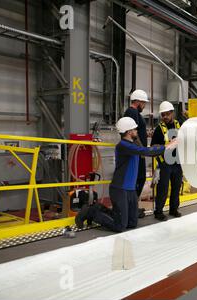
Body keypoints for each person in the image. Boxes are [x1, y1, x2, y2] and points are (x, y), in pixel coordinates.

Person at [75, 117, 178, 232]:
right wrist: (168, 147)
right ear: (129, 132)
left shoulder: (133, 145)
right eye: (135, 129)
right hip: (120, 189)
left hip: (130, 190)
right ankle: (91, 212)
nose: (137, 131)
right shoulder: (123, 146)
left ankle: (98, 208)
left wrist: (166, 146)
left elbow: (146, 150)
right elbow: (146, 152)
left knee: (132, 223)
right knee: (120, 226)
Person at [151, 101, 183, 221]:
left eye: (167, 114)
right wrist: (161, 162)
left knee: (176, 186)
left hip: (178, 163)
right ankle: (158, 212)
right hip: (165, 164)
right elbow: (153, 146)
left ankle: (173, 209)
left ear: (172, 113)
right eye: (163, 115)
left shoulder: (180, 125)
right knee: (162, 188)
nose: (165, 117)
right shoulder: (159, 129)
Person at [124, 89, 149, 218]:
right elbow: (133, 133)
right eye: (144, 103)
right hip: (137, 153)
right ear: (138, 102)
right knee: (138, 179)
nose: (144, 106)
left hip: (137, 152)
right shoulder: (132, 112)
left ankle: (133, 207)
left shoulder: (133, 113)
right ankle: (131, 208)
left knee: (139, 179)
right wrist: (142, 150)